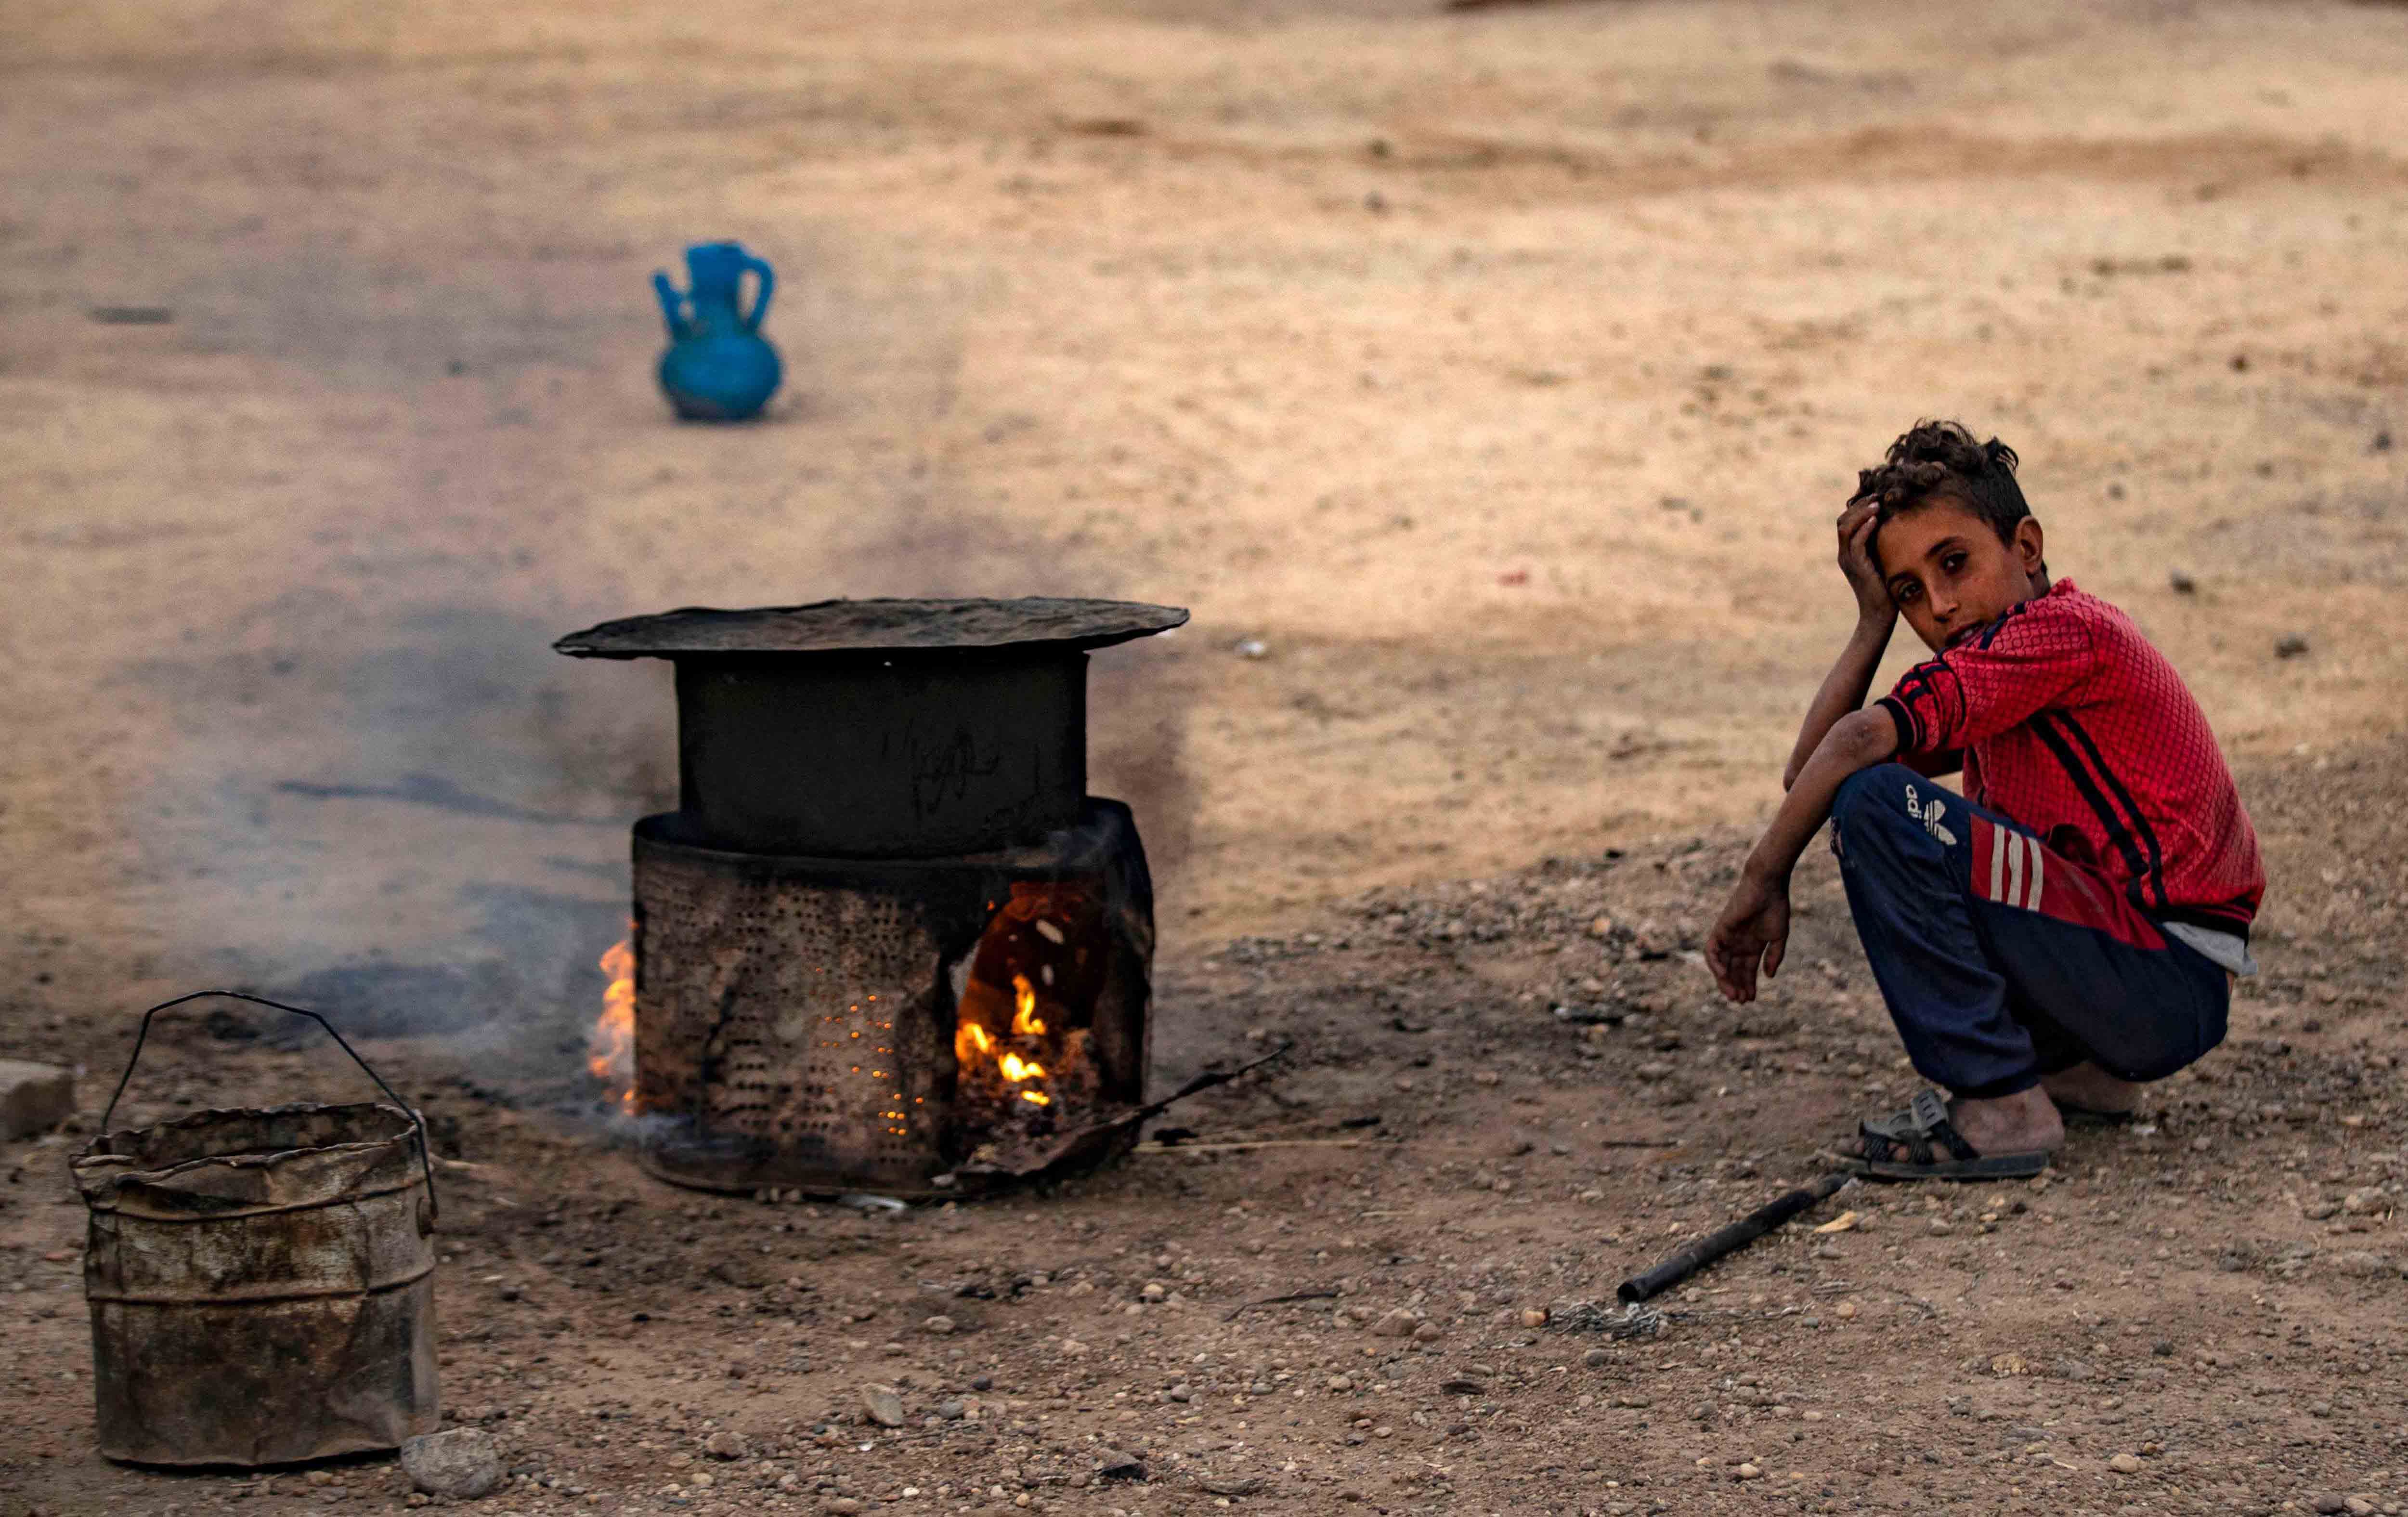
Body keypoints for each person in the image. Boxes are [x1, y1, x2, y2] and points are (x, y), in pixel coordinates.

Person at [1704, 420, 2265, 1180]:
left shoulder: (2062, 633)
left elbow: (1850, 756)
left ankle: (2002, 1102)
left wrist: (1759, 878)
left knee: (1877, 803)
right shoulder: (1993, 669)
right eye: (1907, 591)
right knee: (1861, 791)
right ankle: (2076, 1073)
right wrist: (1871, 620)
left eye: (1954, 563)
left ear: (2025, 548)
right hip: (2135, 980)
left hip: (2166, 978)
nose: (1937, 605)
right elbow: (1811, 767)